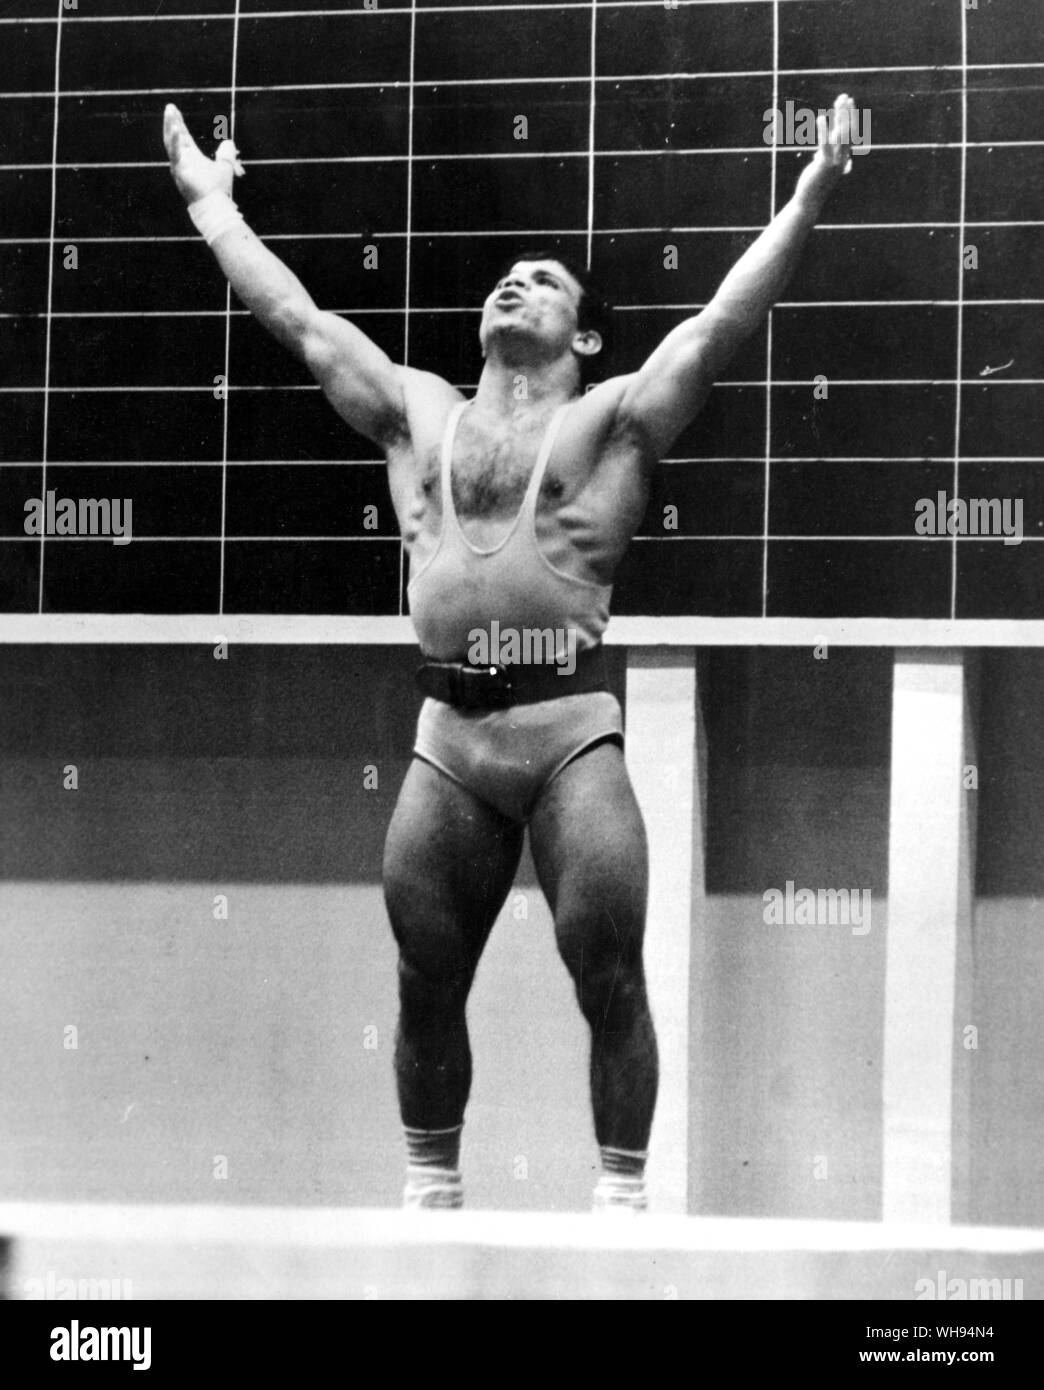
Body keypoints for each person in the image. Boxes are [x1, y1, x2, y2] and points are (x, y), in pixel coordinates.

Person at [163, 94, 858, 1212]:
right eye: (505, 275)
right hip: (449, 741)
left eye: (544, 278)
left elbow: (725, 320)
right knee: (424, 982)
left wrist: (813, 190)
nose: (513, 282)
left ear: (585, 337)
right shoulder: (416, 416)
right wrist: (213, 213)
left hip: (568, 734)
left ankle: (621, 1210)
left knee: (609, 969)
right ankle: (431, 1203)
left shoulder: (611, 426)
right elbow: (299, 322)